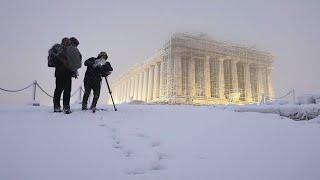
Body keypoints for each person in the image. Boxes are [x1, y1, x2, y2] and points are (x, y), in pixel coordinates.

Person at [52, 38, 72, 114]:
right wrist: (62, 61)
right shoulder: (58, 49)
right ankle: (56, 106)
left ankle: (66, 106)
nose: (68, 43)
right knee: (58, 90)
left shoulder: (70, 50)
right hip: (60, 73)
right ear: (63, 42)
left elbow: (73, 61)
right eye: (66, 42)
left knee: (67, 91)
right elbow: (55, 59)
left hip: (68, 73)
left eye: (69, 42)